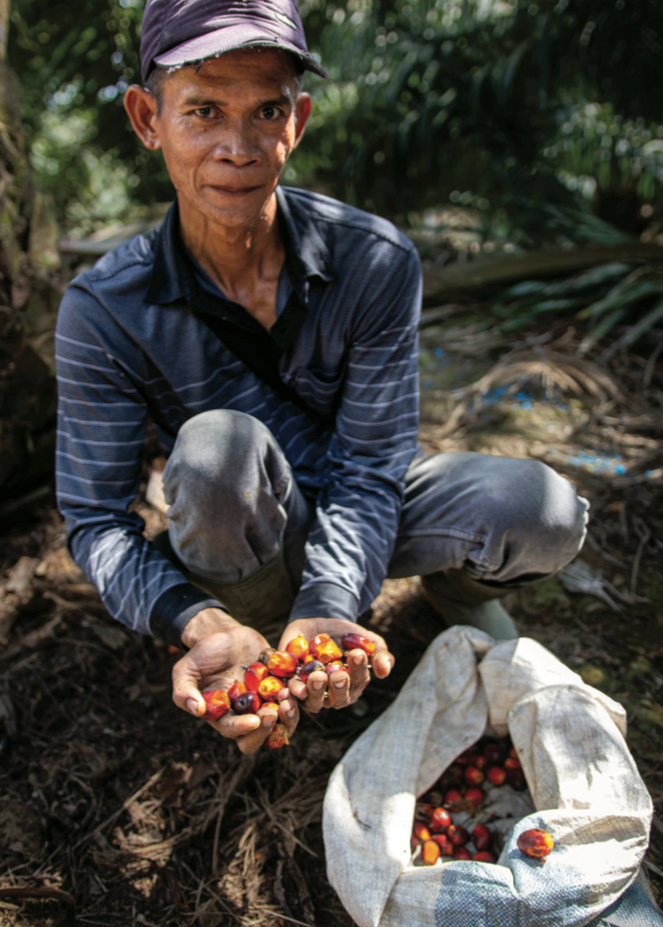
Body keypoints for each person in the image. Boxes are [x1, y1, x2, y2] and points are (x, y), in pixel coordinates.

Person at [55, 0, 589, 754]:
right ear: (148, 120)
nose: (238, 147)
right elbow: (96, 520)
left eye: (265, 111)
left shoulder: (372, 259)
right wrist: (191, 616)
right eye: (203, 111)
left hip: (362, 508)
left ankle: (445, 592)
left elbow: (370, 467)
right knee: (214, 451)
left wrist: (330, 601)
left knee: (545, 511)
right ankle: (256, 628)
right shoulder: (105, 309)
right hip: (241, 527)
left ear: (296, 120)